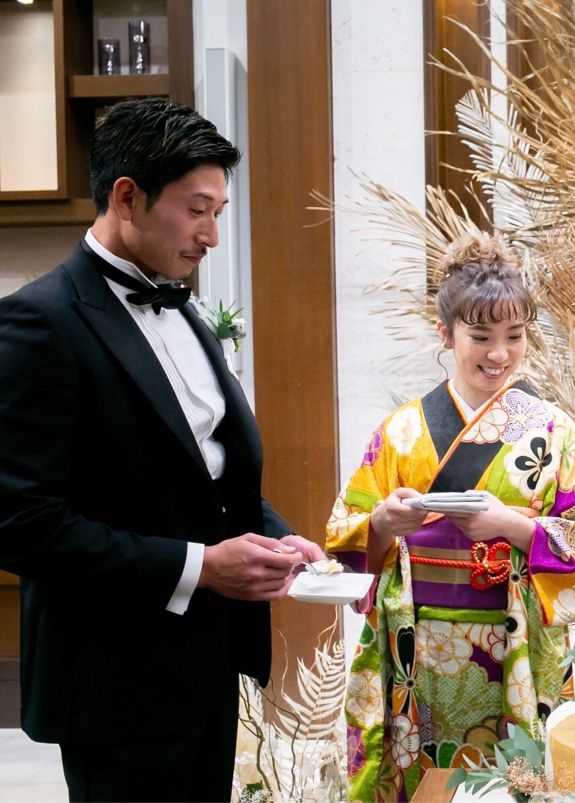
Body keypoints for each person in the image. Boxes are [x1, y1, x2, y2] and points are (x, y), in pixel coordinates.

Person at [0, 98, 324, 802]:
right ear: (127, 197)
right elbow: (21, 524)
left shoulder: (187, 309)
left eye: (220, 211)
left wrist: (271, 536)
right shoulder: (39, 322)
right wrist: (199, 567)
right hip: (114, 681)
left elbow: (205, 472)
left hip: (208, 662)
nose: (213, 235)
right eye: (197, 210)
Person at [325, 233, 575, 801]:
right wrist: (382, 524)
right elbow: (343, 534)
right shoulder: (401, 431)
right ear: (445, 333)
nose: (499, 353)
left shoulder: (554, 430)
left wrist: (513, 527)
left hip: (515, 640)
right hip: (417, 644)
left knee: (517, 779)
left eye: (515, 336)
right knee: (421, 780)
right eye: (481, 337)